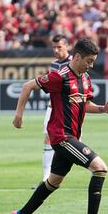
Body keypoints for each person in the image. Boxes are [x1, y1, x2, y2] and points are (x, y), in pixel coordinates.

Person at [9, 38, 108, 214]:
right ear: (77, 57)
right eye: (89, 61)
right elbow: (27, 86)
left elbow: (84, 105)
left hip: (72, 137)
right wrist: (18, 116)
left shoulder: (85, 78)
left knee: (53, 182)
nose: (91, 65)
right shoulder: (59, 77)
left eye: (93, 61)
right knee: (100, 168)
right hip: (61, 137)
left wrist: (103, 109)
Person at [42, 34, 72, 182]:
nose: (56, 50)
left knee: (70, 140)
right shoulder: (53, 64)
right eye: (53, 47)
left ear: (67, 46)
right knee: (48, 138)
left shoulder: (74, 63)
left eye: (59, 47)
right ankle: (46, 177)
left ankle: (92, 165)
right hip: (52, 106)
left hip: (68, 108)